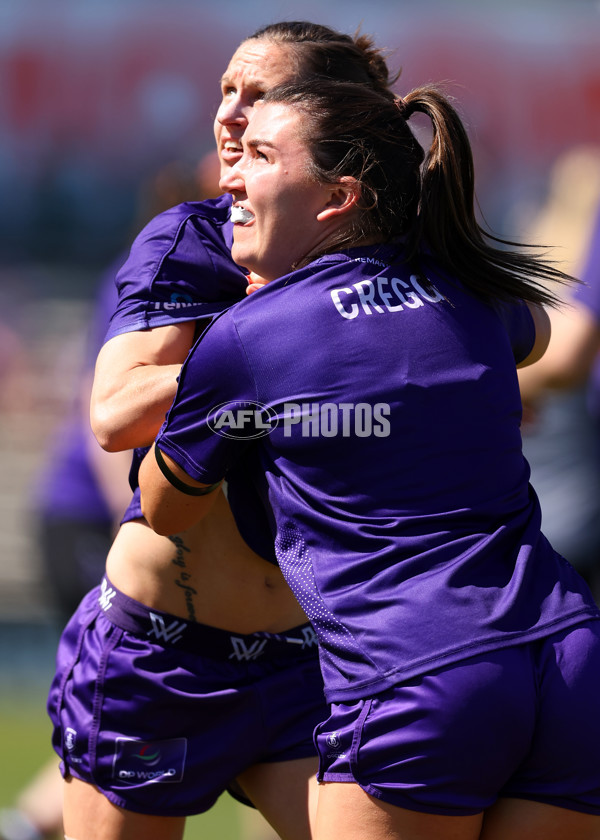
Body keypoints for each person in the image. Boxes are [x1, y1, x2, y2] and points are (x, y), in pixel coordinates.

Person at [138, 78, 600, 840]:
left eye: (259, 155)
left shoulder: (252, 336)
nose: (231, 178)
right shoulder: (468, 285)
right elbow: (538, 339)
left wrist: (210, 397)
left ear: (338, 197)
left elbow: (165, 507)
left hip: (419, 673)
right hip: (569, 656)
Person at [47, 22, 399, 840]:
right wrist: (265, 355)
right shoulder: (193, 239)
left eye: (259, 96)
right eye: (225, 94)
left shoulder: (390, 257)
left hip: (306, 661)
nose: (230, 115)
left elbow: (526, 331)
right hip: (157, 659)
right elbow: (112, 414)